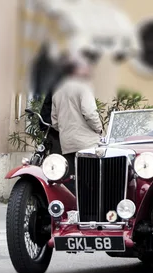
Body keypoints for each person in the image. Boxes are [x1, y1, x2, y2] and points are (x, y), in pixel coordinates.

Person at [51, 54, 103, 192]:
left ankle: (75, 208)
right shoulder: (84, 87)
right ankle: (91, 210)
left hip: (67, 143)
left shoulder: (58, 91)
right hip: (87, 143)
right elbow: (90, 112)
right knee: (92, 180)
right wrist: (99, 129)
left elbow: (54, 122)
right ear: (76, 70)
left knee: (73, 179)